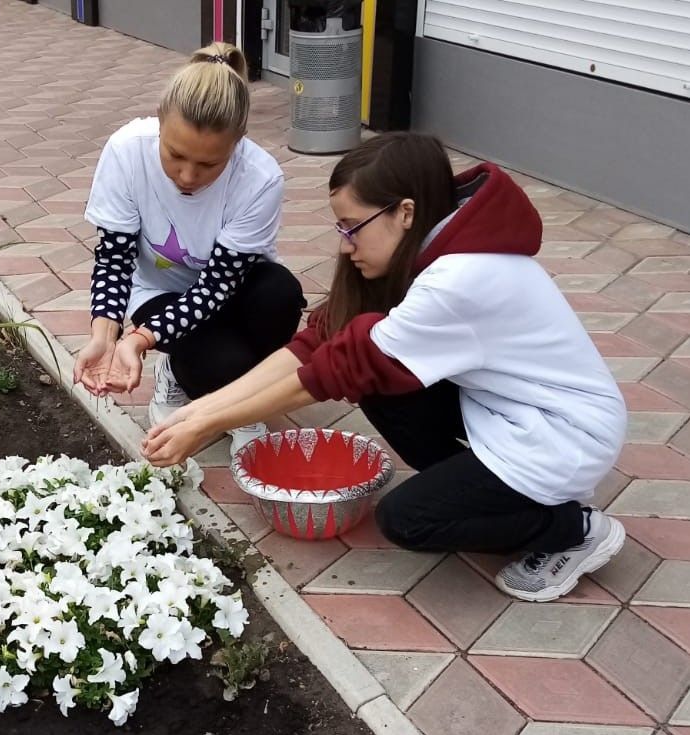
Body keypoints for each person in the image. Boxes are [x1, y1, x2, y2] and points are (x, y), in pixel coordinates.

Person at [140, 131, 628, 603]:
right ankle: (498, 496)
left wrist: (207, 423)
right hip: (512, 408)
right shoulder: (437, 245)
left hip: (566, 433)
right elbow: (320, 345)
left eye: (351, 227)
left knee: (407, 520)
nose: (346, 245)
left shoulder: (457, 280)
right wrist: (200, 410)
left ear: (405, 213)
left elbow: (329, 374)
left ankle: (573, 530)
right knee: (378, 386)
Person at [72, 41, 305, 456]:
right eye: (175, 154)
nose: (187, 175)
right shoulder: (126, 152)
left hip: (230, 288)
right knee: (219, 364)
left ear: (238, 143)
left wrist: (140, 339)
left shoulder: (260, 178)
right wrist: (106, 336)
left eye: (210, 164)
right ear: (159, 123)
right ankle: (190, 375)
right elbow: (114, 259)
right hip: (158, 293)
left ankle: (236, 393)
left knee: (281, 294)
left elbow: (216, 287)